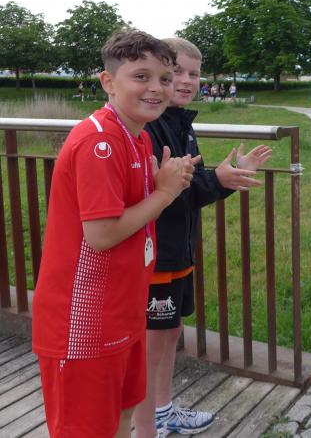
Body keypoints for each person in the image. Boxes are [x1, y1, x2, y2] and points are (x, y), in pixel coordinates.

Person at [31, 30, 198, 438]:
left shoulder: (137, 136)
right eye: (141, 77)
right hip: (83, 320)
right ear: (108, 82)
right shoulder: (100, 141)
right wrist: (165, 193)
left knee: (122, 416)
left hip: (123, 309)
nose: (156, 88)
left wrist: (161, 187)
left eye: (163, 78)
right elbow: (102, 234)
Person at [134, 38, 272, 438]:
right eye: (176, 71)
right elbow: (167, 192)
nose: (185, 80)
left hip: (179, 250)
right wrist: (220, 180)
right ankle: (147, 426)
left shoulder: (180, 122)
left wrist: (223, 177)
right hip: (156, 254)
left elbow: (187, 187)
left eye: (193, 74)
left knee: (170, 333)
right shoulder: (152, 126)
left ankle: (163, 411)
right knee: (152, 345)